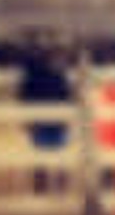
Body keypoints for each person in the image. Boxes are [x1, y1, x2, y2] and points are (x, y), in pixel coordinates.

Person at [18, 47, 74, 194]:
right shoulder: (45, 75)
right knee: (48, 154)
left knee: (47, 153)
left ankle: (48, 185)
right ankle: (50, 185)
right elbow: (67, 95)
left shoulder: (37, 75)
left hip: (50, 120)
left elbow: (24, 96)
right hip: (47, 119)